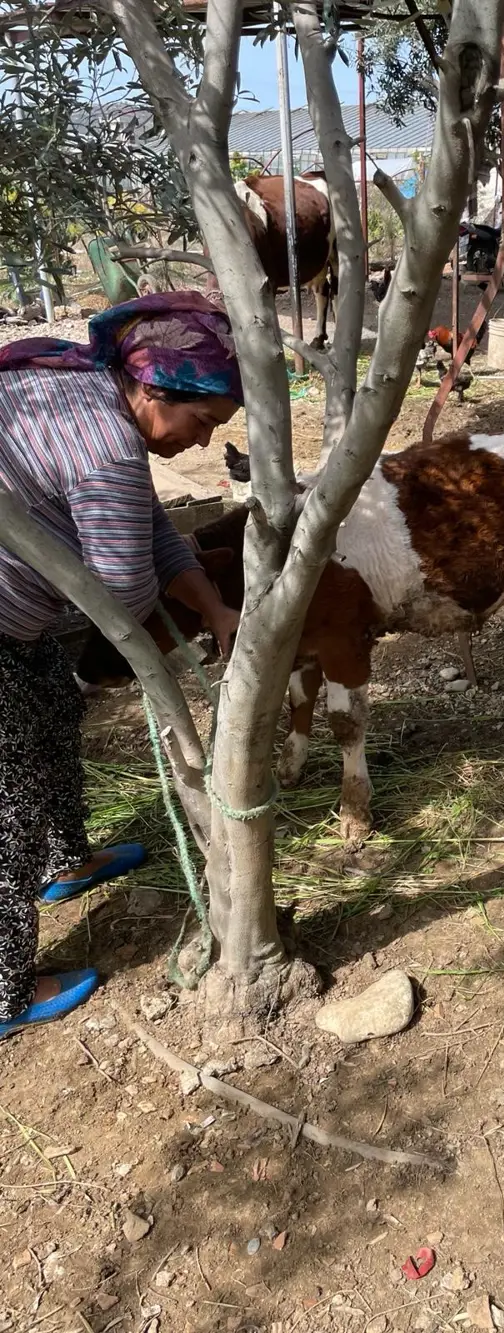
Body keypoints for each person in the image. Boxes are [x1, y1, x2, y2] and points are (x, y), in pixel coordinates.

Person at [0, 291, 242, 1037]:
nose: (201, 444)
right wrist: (182, 603)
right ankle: (4, 989)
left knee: (51, 716)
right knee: (5, 800)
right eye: (200, 423)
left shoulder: (83, 384)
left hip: (18, 632)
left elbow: (150, 527)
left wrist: (212, 604)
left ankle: (64, 860)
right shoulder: (106, 445)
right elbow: (123, 587)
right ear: (149, 389)